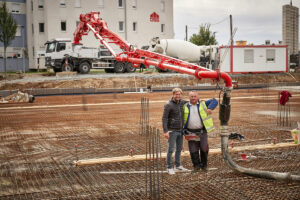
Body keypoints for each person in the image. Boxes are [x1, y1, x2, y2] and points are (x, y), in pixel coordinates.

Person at [183, 91, 218, 172]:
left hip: (202, 131)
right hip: (190, 132)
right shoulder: (185, 106)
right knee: (193, 150)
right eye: (191, 96)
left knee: (204, 148)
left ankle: (204, 166)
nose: (193, 98)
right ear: (189, 97)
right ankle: (196, 166)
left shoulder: (203, 104)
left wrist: (210, 108)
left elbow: (214, 100)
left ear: (198, 97)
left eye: (195, 96)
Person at [162, 88, 188, 175]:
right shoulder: (168, 105)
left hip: (180, 130)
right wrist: (165, 131)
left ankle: (177, 166)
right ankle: (169, 167)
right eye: (176, 94)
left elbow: (192, 102)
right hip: (172, 131)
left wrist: (201, 101)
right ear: (173, 94)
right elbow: (164, 118)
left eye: (179, 94)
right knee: (171, 149)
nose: (178, 96)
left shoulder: (182, 102)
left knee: (179, 149)